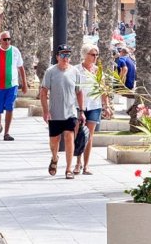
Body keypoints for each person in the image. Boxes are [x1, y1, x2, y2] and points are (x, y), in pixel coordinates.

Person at [40, 45, 86, 180]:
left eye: (68, 55)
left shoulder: (75, 72)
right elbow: (43, 92)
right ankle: (54, 157)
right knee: (54, 140)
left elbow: (79, 92)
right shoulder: (50, 72)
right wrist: (45, 111)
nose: (66, 58)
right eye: (63, 55)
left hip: (70, 112)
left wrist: (81, 111)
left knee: (69, 138)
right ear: (57, 57)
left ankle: (69, 168)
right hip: (54, 113)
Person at [0, 31, 28, 141]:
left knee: (10, 106)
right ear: (0, 40)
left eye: (9, 39)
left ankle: (7, 133)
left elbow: (21, 68)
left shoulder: (15, 51)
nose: (7, 41)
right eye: (4, 39)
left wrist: (24, 84)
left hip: (12, 85)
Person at [74, 44, 105, 175]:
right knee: (79, 134)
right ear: (85, 55)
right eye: (93, 54)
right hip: (78, 106)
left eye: (96, 55)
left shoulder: (98, 71)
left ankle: (86, 165)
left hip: (94, 106)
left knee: (89, 136)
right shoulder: (76, 70)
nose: (95, 57)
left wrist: (106, 105)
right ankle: (77, 163)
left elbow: (102, 89)